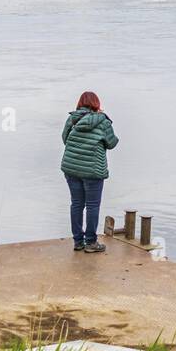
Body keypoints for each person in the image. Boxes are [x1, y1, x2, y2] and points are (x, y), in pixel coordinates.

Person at [61, 91, 119, 253]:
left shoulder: (72, 118)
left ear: (80, 103)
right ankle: (91, 242)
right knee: (92, 205)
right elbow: (112, 143)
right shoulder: (103, 121)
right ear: (97, 104)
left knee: (77, 204)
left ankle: (78, 241)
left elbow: (65, 139)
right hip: (93, 170)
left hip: (71, 167)